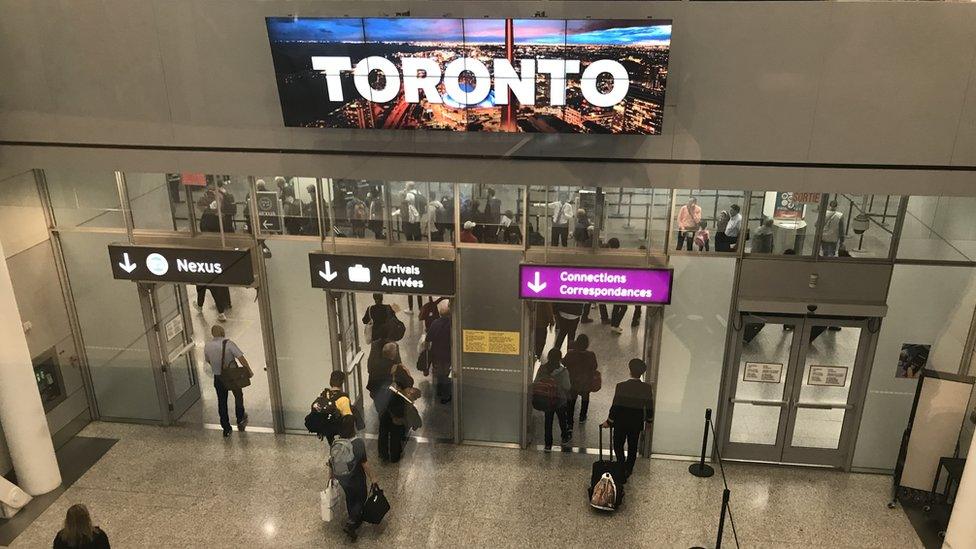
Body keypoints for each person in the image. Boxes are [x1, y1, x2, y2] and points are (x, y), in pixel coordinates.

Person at [602, 359, 654, 482]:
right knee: (632, 446)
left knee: (618, 444)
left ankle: (620, 464)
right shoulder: (646, 388)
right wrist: (649, 421)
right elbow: (649, 406)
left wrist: (609, 421)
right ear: (641, 373)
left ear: (630, 370)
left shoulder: (621, 386)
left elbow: (616, 406)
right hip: (636, 423)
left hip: (620, 422)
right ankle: (628, 469)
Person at [330, 416, 377, 543]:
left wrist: (330, 478)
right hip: (356, 478)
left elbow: (331, 462)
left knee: (350, 497)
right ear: (353, 428)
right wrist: (373, 478)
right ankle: (351, 523)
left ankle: (354, 517)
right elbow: (364, 463)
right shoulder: (358, 443)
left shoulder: (336, 443)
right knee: (361, 498)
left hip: (342, 478)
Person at [203, 325, 250, 437]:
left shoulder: (207, 346)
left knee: (222, 401)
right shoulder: (229, 344)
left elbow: (208, 360)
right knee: (238, 395)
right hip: (232, 376)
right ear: (222, 332)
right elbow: (241, 359)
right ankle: (240, 417)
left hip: (218, 377)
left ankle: (226, 428)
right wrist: (248, 371)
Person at [535, 348, 572, 452]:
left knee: (548, 421)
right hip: (560, 400)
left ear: (548, 357)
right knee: (562, 419)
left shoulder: (542, 369)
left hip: (547, 399)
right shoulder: (563, 371)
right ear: (560, 359)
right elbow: (567, 386)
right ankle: (564, 437)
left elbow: (537, 381)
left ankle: (548, 445)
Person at [375, 365, 413, 463]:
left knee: (383, 432)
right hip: (396, 412)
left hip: (385, 411)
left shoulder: (386, 381)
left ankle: (383, 454)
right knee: (395, 433)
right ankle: (394, 456)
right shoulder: (404, 382)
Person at [564, 334, 598, 425]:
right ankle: (582, 416)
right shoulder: (591, 355)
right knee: (585, 399)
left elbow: (564, 363)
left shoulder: (571, 354)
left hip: (573, 381)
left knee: (571, 401)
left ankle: (570, 420)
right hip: (586, 382)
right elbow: (595, 367)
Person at [427, 300, 453, 404]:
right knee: (446, 374)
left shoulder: (435, 323)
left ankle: (438, 390)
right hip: (447, 354)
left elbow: (428, 338)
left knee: (439, 373)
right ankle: (446, 395)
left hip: (436, 354)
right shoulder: (452, 324)